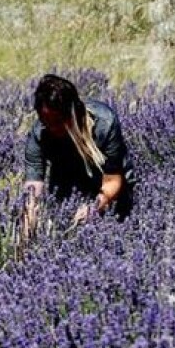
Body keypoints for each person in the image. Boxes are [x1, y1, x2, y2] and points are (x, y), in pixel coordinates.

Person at [22, 74, 132, 237]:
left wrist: (94, 208)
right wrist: (27, 230)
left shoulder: (104, 123)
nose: (52, 128)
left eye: (58, 121)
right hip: (67, 185)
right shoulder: (39, 134)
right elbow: (33, 187)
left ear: (73, 113)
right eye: (46, 121)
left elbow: (113, 180)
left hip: (108, 191)